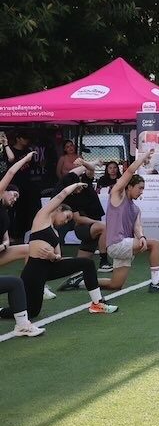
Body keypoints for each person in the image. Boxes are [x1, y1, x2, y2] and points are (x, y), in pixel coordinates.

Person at [0, 179, 118, 319]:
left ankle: (97, 303)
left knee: (87, 264)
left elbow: (58, 256)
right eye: (67, 217)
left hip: (49, 268)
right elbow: (61, 195)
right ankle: (1, 311)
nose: (66, 221)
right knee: (32, 312)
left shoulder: (55, 232)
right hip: (34, 270)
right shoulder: (41, 218)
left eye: (69, 220)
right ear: (58, 209)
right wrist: (75, 185)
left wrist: (52, 256)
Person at [98, 151, 159, 293]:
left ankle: (82, 281)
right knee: (155, 244)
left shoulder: (136, 209)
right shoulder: (117, 196)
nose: (142, 192)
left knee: (115, 285)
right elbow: (130, 171)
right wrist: (144, 157)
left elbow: (137, 227)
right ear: (129, 186)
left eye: (143, 189)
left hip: (124, 246)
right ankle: (156, 283)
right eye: (140, 188)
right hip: (116, 244)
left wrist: (141, 236)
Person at [0, 151, 36, 270]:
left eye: (17, 198)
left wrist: (4, 246)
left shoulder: (4, 214)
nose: (15, 199)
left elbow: (6, 239)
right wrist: (26, 159)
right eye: (14, 195)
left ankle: (30, 281)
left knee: (30, 249)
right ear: (4, 191)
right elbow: (10, 172)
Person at [4, 132, 40, 244]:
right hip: (13, 184)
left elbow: (33, 165)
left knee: (24, 210)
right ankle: (9, 235)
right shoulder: (9, 150)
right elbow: (11, 159)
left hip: (26, 185)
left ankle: (22, 234)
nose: (27, 140)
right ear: (18, 139)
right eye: (24, 138)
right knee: (10, 210)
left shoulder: (28, 151)